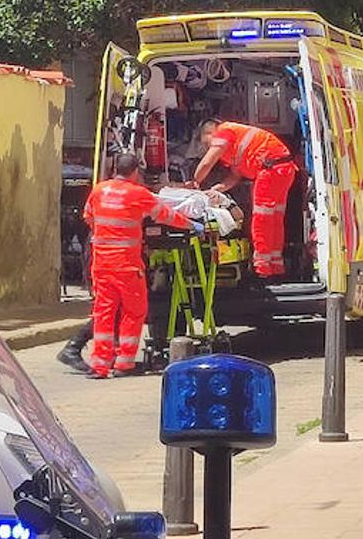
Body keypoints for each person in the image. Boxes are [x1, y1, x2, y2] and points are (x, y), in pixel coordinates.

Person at [83, 153, 201, 378]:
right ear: (136, 172)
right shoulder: (139, 194)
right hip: (127, 266)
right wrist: (191, 225)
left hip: (101, 265)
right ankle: (124, 363)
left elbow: (89, 217)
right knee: (134, 312)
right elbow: (166, 215)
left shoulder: (99, 190)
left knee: (103, 313)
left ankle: (99, 364)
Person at [189, 118, 295, 279]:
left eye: (206, 143)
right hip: (283, 169)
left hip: (269, 170)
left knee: (262, 218)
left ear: (209, 132)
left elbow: (207, 163)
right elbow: (234, 176)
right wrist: (217, 189)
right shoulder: (236, 142)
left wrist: (195, 182)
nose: (207, 147)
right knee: (274, 218)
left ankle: (262, 268)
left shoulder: (223, 132)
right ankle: (275, 264)